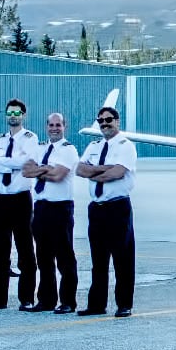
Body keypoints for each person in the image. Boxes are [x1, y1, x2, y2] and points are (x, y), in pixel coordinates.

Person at [75, 107, 137, 318]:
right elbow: (80, 169)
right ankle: (96, 305)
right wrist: (104, 169)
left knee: (123, 259)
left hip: (117, 207)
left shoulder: (125, 146)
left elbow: (118, 173)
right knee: (98, 260)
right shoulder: (94, 145)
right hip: (97, 208)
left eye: (108, 119)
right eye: (100, 120)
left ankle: (124, 304)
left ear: (117, 121)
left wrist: (95, 172)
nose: (104, 124)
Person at [0, 99, 41, 311]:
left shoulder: (30, 138)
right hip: (0, 198)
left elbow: (28, 162)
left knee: (25, 249)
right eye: (10, 112)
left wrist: (4, 163)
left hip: (20, 199)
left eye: (17, 112)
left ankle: (26, 297)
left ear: (23, 115)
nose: (13, 116)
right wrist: (12, 164)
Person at [23, 113, 79, 314]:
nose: (54, 128)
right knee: (43, 257)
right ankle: (46, 300)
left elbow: (58, 175)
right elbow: (26, 171)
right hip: (41, 208)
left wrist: (42, 169)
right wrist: (46, 168)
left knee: (64, 257)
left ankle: (67, 301)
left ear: (65, 126)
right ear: (46, 126)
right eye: (51, 125)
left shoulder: (68, 149)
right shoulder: (41, 148)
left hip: (60, 207)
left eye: (58, 125)